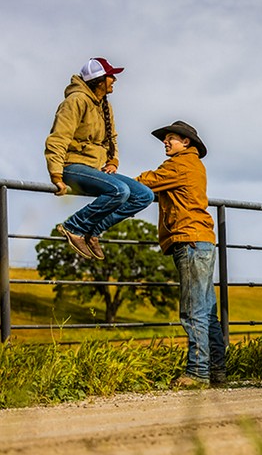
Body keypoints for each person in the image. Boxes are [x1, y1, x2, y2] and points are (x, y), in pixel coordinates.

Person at [136, 121, 227, 388]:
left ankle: (197, 372)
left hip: (189, 240)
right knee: (207, 311)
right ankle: (217, 370)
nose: (166, 142)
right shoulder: (195, 164)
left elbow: (148, 182)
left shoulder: (179, 165)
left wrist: (115, 185)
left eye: (171, 138)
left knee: (193, 310)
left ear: (186, 142)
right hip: (203, 241)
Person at [45, 57, 154, 260]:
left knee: (144, 195)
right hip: (72, 166)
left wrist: (113, 161)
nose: (114, 79)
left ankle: (93, 231)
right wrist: (56, 175)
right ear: (100, 79)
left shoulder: (105, 105)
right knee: (120, 190)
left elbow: (111, 138)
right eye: (111, 76)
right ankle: (74, 227)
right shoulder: (75, 101)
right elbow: (58, 137)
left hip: (94, 170)